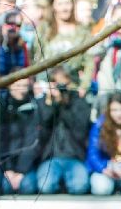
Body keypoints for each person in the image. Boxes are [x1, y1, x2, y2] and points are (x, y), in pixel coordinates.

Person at [34, 66, 92, 194]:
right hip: (51, 158)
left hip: (74, 156)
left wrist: (65, 104)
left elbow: (80, 131)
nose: (60, 87)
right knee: (46, 186)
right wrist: (51, 103)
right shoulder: (44, 102)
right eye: (56, 83)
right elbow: (44, 127)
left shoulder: (79, 101)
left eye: (63, 83)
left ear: (70, 83)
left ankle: (66, 183)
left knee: (80, 187)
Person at [40, 0, 91, 86]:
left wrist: (84, 86)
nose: (64, 8)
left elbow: (89, 61)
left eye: (67, 3)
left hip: (74, 86)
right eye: (60, 4)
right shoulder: (43, 30)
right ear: (53, 6)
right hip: (48, 87)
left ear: (72, 4)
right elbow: (36, 59)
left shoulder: (82, 31)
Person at [0, 76, 40, 194]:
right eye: (17, 86)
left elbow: (32, 142)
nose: (21, 90)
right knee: (5, 187)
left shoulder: (34, 108)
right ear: (9, 86)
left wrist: (21, 171)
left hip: (26, 165)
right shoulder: (2, 108)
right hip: (6, 165)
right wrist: (8, 169)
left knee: (27, 187)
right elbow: (1, 142)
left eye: (24, 86)